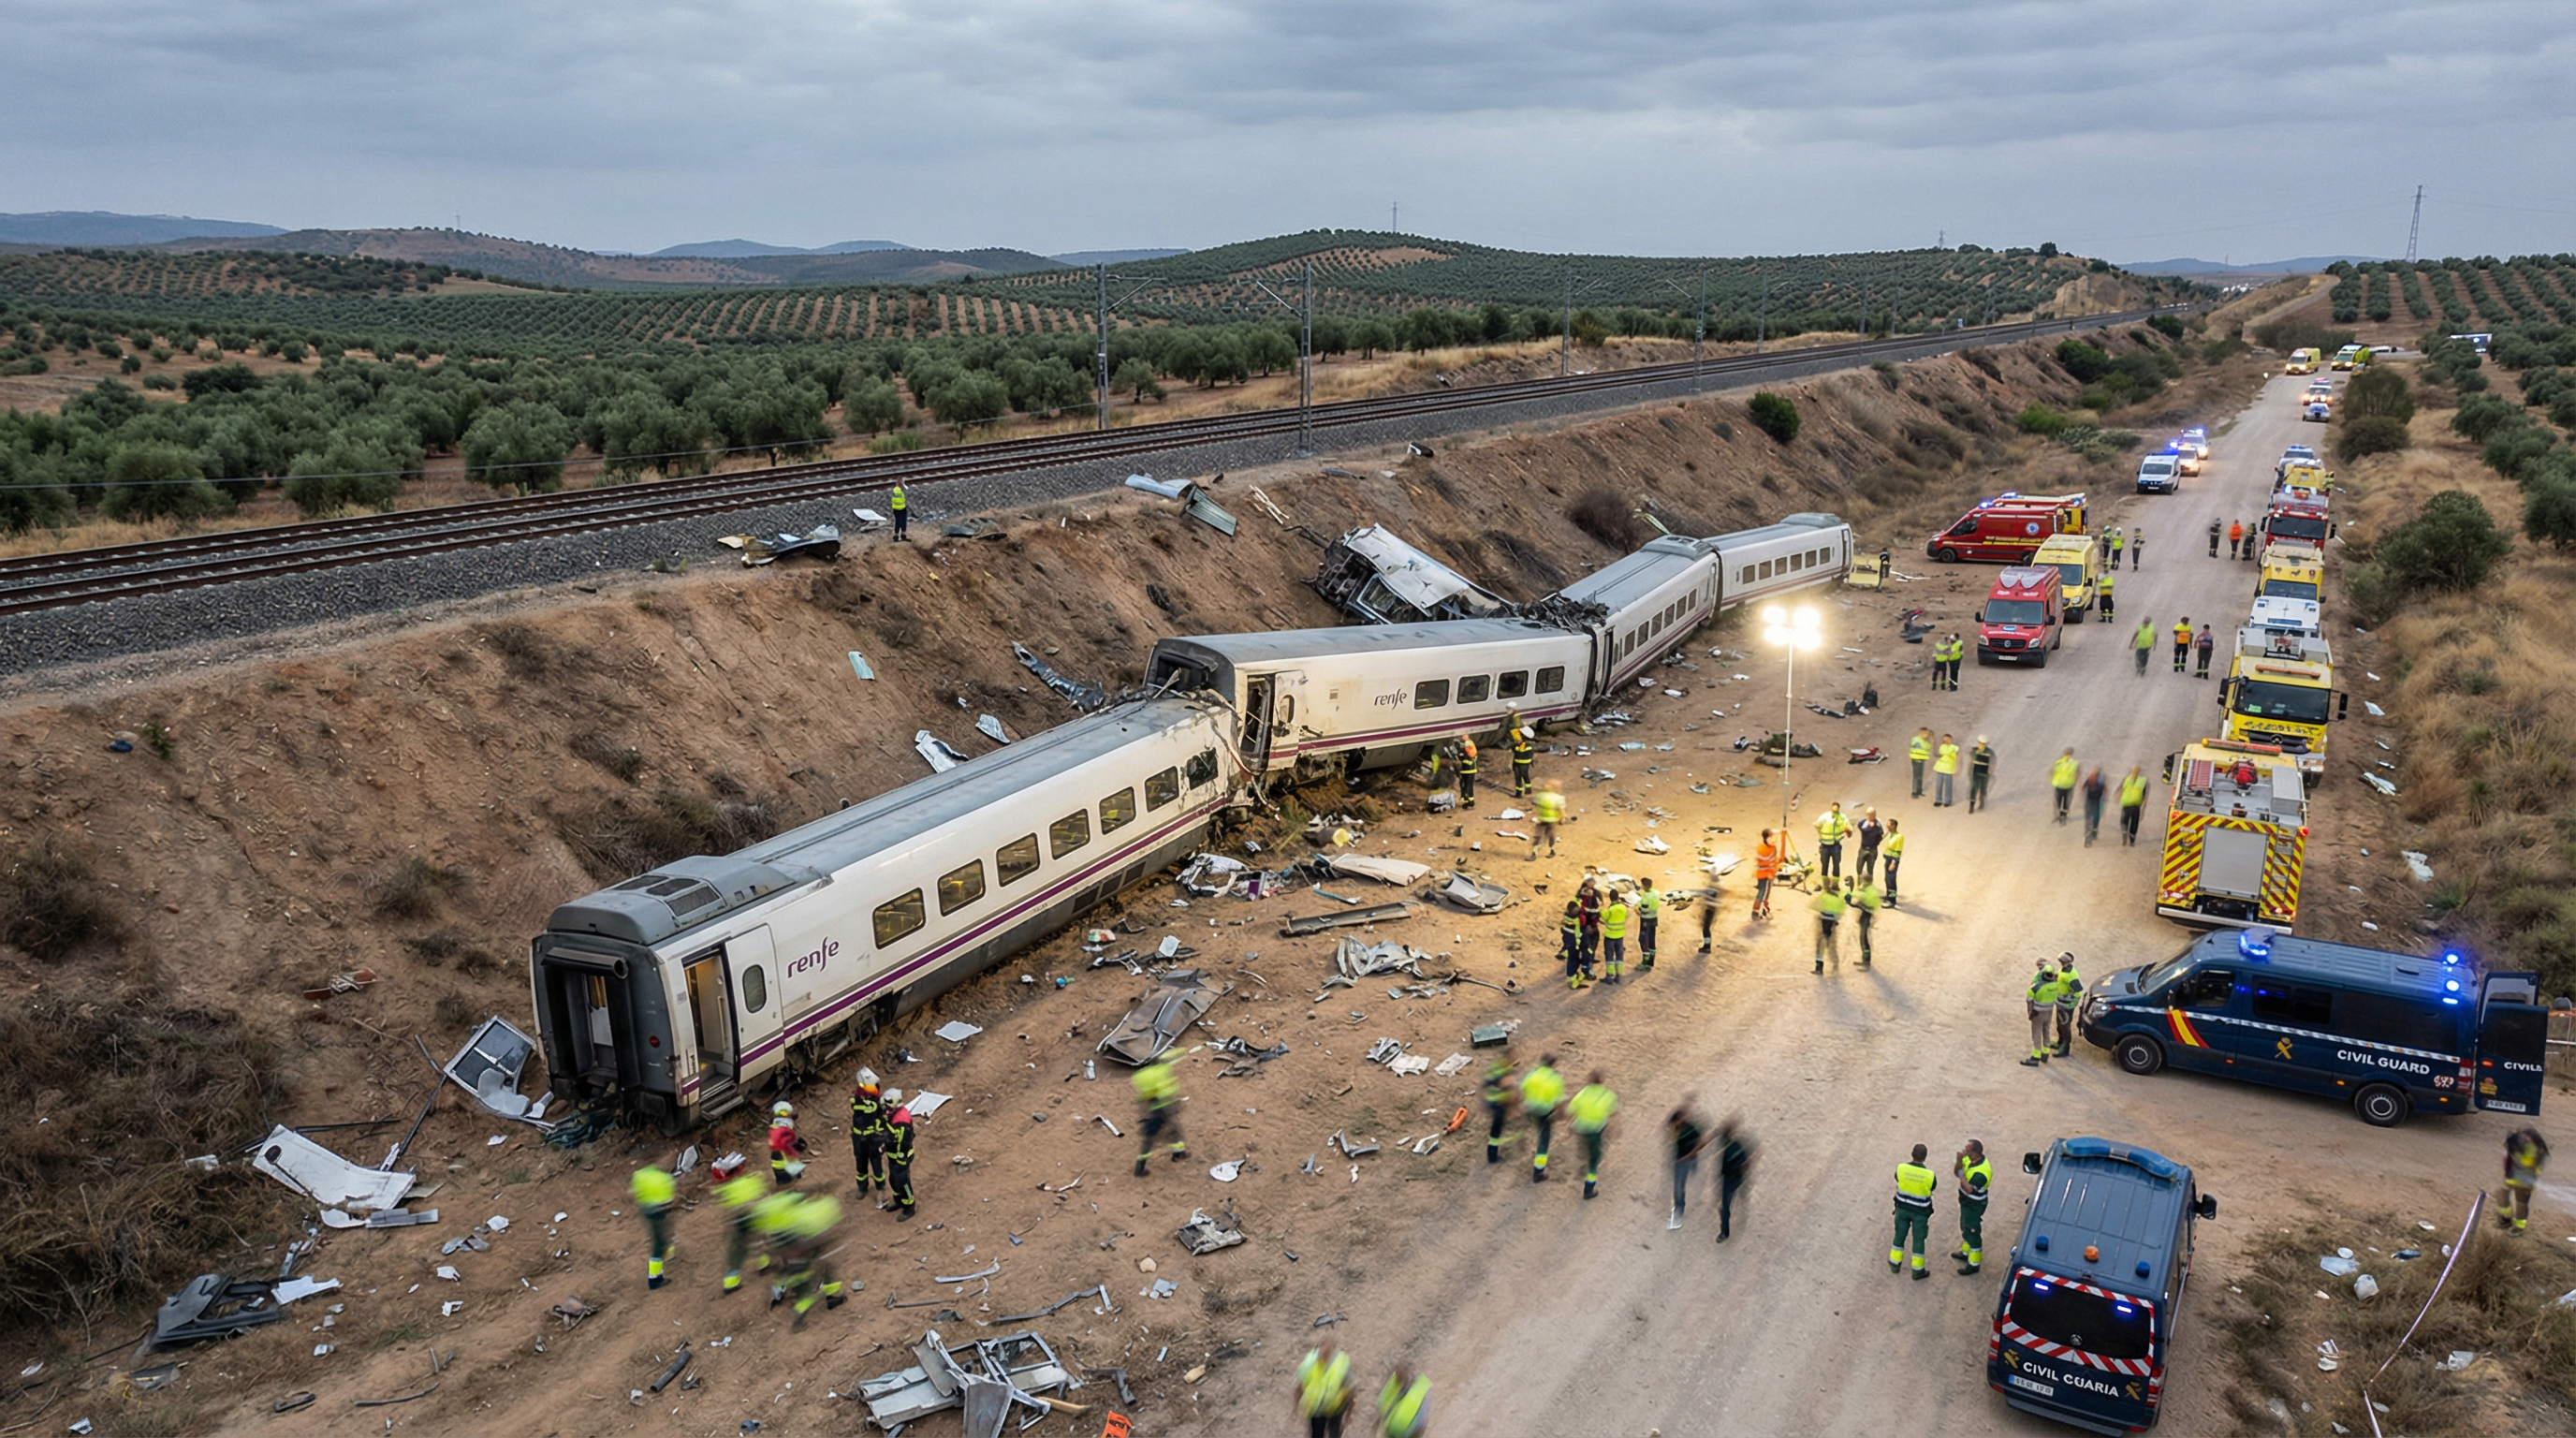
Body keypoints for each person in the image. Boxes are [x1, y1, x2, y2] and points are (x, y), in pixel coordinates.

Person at [770, 1191, 848, 1327]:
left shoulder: (790, 1214)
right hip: (809, 1246)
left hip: (802, 1246)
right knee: (808, 1285)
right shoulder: (822, 1209)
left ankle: (832, 1296)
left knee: (821, 1268)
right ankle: (798, 1321)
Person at [716, 1165, 774, 1295]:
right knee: (759, 1239)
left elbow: (727, 1209)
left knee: (736, 1249)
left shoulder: (727, 1188)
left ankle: (731, 1281)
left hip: (738, 1220)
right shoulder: (753, 1180)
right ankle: (763, 1265)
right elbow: (765, 1196)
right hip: (755, 1215)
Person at [1132, 1051, 1186, 1176]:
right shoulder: (1162, 1072)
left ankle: (1177, 1153)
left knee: (1170, 1130)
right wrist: (1172, 1106)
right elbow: (1166, 1090)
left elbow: (1142, 1095)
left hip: (1151, 1107)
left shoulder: (1141, 1075)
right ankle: (1140, 1168)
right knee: (1169, 1131)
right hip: (1162, 1107)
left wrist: (1143, 1113)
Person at [1890, 1143, 1939, 1280]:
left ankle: (1894, 1264)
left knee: (1899, 1235)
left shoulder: (1901, 1168)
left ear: (1912, 1154)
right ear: (1925, 1158)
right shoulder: (1930, 1175)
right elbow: (1933, 1186)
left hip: (1902, 1209)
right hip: (1920, 1213)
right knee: (1918, 1240)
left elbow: (1897, 1178)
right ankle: (1917, 1271)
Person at [1570, 1070, 1618, 1200]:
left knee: (1585, 1146)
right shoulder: (1608, 1095)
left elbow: (1571, 1110)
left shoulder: (1582, 1093)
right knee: (1594, 1158)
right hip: (1596, 1129)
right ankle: (1588, 1189)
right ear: (1602, 1081)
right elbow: (1613, 1113)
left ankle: (1582, 1151)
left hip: (1580, 1127)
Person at [1520, 1054, 1565, 1182]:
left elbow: (1522, 1089)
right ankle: (1538, 1172)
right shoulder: (1556, 1079)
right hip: (1545, 1111)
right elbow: (1559, 1101)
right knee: (1544, 1138)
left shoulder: (1532, 1074)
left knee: (1535, 1126)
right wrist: (1559, 1113)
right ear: (1553, 1064)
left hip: (1530, 1107)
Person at [1295, 1343, 1355, 1438]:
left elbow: (1350, 1389)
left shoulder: (1341, 1364)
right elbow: (1300, 1385)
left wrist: (1349, 1411)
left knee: (1334, 1432)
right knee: (1318, 1433)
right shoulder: (1309, 1363)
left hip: (1335, 1408)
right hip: (1317, 1409)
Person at [632, 1165, 677, 1290]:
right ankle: (655, 1279)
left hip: (647, 1210)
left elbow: (638, 1193)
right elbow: (668, 1200)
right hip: (658, 1212)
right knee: (659, 1244)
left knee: (661, 1236)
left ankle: (667, 1252)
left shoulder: (641, 1176)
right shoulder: (664, 1179)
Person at [1665, 1101, 1707, 1229]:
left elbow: (1702, 1141)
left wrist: (1691, 1154)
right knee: (1680, 1184)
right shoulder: (1678, 1129)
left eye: (1675, 1122)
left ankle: (1678, 1213)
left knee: (1678, 1187)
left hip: (1685, 1161)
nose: (1673, 1126)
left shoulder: (1690, 1129)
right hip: (1680, 1160)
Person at [1954, 1140, 1993, 1276]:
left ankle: (1974, 1264)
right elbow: (1957, 1171)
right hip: (1967, 1203)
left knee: (1972, 1230)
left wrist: (1961, 1175)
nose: (1965, 1151)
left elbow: (1969, 1189)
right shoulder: (1968, 1159)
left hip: (1975, 1205)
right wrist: (1959, 1161)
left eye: (1967, 1149)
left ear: (1975, 1153)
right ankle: (1965, 1252)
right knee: (1965, 1225)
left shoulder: (1981, 1173)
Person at [2502, 1128, 2551, 1234]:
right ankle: (2514, 1224)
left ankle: (2518, 1228)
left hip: (2524, 1181)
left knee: (2521, 1204)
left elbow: (2527, 1163)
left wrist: (2516, 1156)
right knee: (2518, 1203)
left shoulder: (2530, 1148)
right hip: (2519, 1179)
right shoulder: (2525, 1147)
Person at [849, 1069, 889, 1197]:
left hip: (873, 1139)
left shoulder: (875, 1101)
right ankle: (862, 1188)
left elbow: (878, 1114)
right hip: (858, 1138)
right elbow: (856, 1106)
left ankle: (880, 1188)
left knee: (876, 1165)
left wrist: (882, 1140)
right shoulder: (859, 1096)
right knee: (860, 1165)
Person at [1715, 1117, 1754, 1242]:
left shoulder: (1727, 1151)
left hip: (1730, 1180)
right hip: (1739, 1178)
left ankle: (1724, 1232)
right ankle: (1742, 1199)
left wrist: (1718, 1185)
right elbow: (1746, 1161)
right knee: (1733, 1198)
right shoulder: (1737, 1144)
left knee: (1725, 1205)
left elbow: (1724, 1170)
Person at [882, 1089, 918, 1219]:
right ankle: (899, 1201)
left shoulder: (901, 1120)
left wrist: (901, 1160)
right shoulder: (893, 1112)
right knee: (893, 1180)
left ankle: (909, 1207)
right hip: (893, 1155)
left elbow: (903, 1142)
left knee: (903, 1182)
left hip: (902, 1156)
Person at [2023, 958, 2063, 1066]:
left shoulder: (2035, 987)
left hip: (2038, 1013)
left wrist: (2030, 1013)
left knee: (2036, 1034)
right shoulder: (2056, 985)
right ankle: (2045, 1054)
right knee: (2046, 1032)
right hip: (2049, 1013)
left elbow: (2029, 1001)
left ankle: (2035, 1057)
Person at [1378, 1366, 1432, 1438]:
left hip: (1408, 1431)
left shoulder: (1420, 1391)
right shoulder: (1420, 1390)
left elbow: (1421, 1422)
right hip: (1396, 1430)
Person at [1483, 1054, 1517, 1164]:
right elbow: (1505, 1086)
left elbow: (1486, 1083)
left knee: (1496, 1129)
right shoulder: (1502, 1073)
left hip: (1495, 1102)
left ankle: (1492, 1153)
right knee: (1495, 1131)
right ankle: (1492, 1156)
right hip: (1498, 1105)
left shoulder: (1498, 1068)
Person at [1810, 881, 1847, 974]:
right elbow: (1842, 909)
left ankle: (1819, 966)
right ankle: (1835, 963)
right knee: (1832, 944)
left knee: (1820, 943)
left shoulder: (1824, 895)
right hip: (1833, 922)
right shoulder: (1840, 897)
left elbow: (1814, 905)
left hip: (1823, 921)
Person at [768, 1100, 806, 1186]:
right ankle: (796, 1179)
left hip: (775, 1154)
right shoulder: (788, 1124)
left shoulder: (775, 1123)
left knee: (779, 1172)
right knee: (792, 1168)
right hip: (785, 1152)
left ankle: (781, 1182)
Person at [2054, 954, 2085, 1057]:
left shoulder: (2071, 976)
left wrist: (2066, 1000)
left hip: (2066, 1006)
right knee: (2059, 1025)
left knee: (2065, 1026)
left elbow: (2077, 991)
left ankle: (2065, 1049)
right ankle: (2060, 1043)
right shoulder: (2064, 969)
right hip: (2060, 1003)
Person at [1600, 888, 1631, 984]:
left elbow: (1604, 917)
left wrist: (1601, 908)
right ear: (1618, 897)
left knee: (1609, 956)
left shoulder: (1610, 909)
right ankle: (1618, 976)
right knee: (1619, 957)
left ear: (1610, 898)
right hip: (1620, 936)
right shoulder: (1623, 907)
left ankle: (1609, 977)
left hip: (1610, 936)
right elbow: (1627, 916)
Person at [1852, 874, 1881, 967]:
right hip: (1867, 915)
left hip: (1866, 915)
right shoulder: (1871, 889)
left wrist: (1850, 890)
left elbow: (1857, 896)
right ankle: (1866, 958)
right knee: (1864, 938)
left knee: (1863, 938)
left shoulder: (1868, 892)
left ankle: (1866, 960)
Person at [1815, 802, 1849, 883]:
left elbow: (1847, 826)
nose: (1835, 812)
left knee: (1836, 865)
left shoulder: (1842, 817)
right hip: (1825, 845)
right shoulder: (1825, 817)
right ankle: (1825, 883)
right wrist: (1821, 835)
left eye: (1836, 810)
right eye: (1834, 810)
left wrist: (1847, 831)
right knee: (1824, 865)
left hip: (1835, 845)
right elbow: (1817, 825)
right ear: (1831, 809)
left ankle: (1835, 884)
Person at [1577, 877, 1603, 980]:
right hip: (1585, 926)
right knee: (1587, 947)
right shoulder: (1581, 896)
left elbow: (1599, 907)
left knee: (1592, 943)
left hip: (1590, 925)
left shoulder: (1596, 894)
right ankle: (1586, 969)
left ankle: (1589, 959)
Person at [1529, 786, 1564, 858]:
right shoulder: (1556, 798)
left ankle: (1546, 851)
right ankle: (1536, 852)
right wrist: (1561, 819)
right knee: (1546, 836)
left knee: (1545, 836)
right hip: (1547, 820)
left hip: (1548, 821)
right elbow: (1561, 810)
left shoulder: (1542, 797)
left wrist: (1561, 818)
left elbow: (1561, 810)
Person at [1751, 829, 1779, 919]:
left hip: (1765, 874)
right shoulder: (1764, 851)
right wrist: (1773, 870)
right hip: (1766, 875)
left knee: (1763, 893)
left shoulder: (1764, 846)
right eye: (1770, 838)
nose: (1773, 840)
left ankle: (1762, 910)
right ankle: (1757, 912)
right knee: (1763, 894)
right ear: (1766, 838)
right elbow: (1766, 864)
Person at [1635, 877, 1662, 971]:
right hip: (1654, 919)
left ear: (1644, 885)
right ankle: (1651, 962)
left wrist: (1637, 909)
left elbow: (1644, 909)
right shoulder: (1655, 892)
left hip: (1646, 920)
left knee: (1642, 940)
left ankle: (1644, 962)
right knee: (1652, 939)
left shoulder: (1646, 898)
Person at [2118, 766, 2149, 847]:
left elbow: (2120, 789)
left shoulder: (2126, 779)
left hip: (2126, 804)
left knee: (2124, 821)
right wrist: (2143, 809)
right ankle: (2132, 841)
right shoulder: (2143, 781)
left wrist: (2118, 797)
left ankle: (2124, 837)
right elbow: (2145, 796)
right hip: (2136, 806)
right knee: (2134, 824)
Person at [1559, 900, 1586, 990]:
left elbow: (1562, 928)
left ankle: (1571, 975)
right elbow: (1577, 933)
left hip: (1567, 940)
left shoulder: (1565, 916)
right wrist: (1579, 943)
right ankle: (1572, 979)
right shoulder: (1576, 920)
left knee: (1571, 958)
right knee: (1573, 959)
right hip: (1574, 943)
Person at [1854, 808, 1885, 883]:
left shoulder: (1878, 824)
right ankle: (1859, 883)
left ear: (1875, 815)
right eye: (1868, 814)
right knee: (1859, 867)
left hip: (1872, 849)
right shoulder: (1863, 823)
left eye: (1871, 814)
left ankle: (1869, 884)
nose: (1869, 816)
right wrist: (1870, 827)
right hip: (1863, 848)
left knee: (1870, 869)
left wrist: (1874, 827)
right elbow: (1862, 828)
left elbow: (1880, 833)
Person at [1880, 821, 1905, 907]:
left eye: (1890, 826)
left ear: (1894, 826)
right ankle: (1888, 895)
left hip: (1893, 860)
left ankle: (1892, 901)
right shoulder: (1890, 835)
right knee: (1887, 878)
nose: (1888, 827)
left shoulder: (1899, 837)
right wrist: (1887, 833)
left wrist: (1894, 862)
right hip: (1888, 859)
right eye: (1887, 826)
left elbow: (1898, 851)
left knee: (1891, 880)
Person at [2080, 765, 2106, 846]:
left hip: (2096, 801)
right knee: (2088, 820)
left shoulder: (2100, 784)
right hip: (2089, 801)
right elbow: (2084, 787)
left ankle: (2094, 829)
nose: (2090, 776)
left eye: (2093, 775)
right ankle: (2088, 839)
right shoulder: (2089, 780)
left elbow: (2104, 790)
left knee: (2096, 817)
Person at [2051, 748, 2078, 824]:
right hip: (2069, 785)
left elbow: (2053, 771)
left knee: (2058, 800)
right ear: (2072, 754)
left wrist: (2054, 780)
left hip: (2059, 784)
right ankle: (2063, 817)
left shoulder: (2058, 762)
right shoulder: (2074, 763)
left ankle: (2059, 816)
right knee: (2066, 801)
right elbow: (2077, 774)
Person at [1968, 737, 1994, 813]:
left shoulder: (1989, 752)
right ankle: (1971, 806)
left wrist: (1991, 769)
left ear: (1986, 744)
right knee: (1973, 788)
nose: (1981, 745)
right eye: (1980, 743)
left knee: (1983, 789)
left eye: (1983, 744)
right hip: (1976, 773)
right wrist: (1969, 770)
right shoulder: (1974, 750)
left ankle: (1982, 803)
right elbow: (1971, 761)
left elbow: (1993, 762)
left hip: (1985, 774)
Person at [1933, 734, 1959, 807]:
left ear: (1951, 740)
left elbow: (1952, 751)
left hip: (1948, 769)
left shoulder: (1955, 747)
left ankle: (1948, 801)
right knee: (1939, 785)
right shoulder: (1942, 747)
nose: (1945, 741)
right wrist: (1949, 752)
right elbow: (1943, 751)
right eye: (1944, 740)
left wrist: (1949, 751)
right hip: (1940, 768)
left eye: (1947, 740)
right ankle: (1938, 800)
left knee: (1948, 786)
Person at [1908, 727, 1933, 799]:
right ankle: (1915, 792)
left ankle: (1919, 790)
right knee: (1917, 776)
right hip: (1918, 759)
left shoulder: (1915, 739)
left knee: (1918, 775)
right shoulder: (1925, 743)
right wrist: (1931, 741)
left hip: (1917, 758)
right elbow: (1928, 748)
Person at [1512, 724, 1534, 797]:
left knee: (1521, 777)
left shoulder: (1527, 746)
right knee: (1521, 777)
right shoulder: (1522, 744)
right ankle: (1524, 791)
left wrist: (1517, 745)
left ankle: (1520, 793)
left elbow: (1518, 752)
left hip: (1522, 764)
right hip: (1518, 763)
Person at [1457, 736, 1478, 809]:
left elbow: (1461, 757)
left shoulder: (1466, 749)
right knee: (1469, 785)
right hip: (1472, 770)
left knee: (1465, 785)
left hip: (1466, 770)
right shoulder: (1472, 747)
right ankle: (1470, 801)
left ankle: (1467, 801)